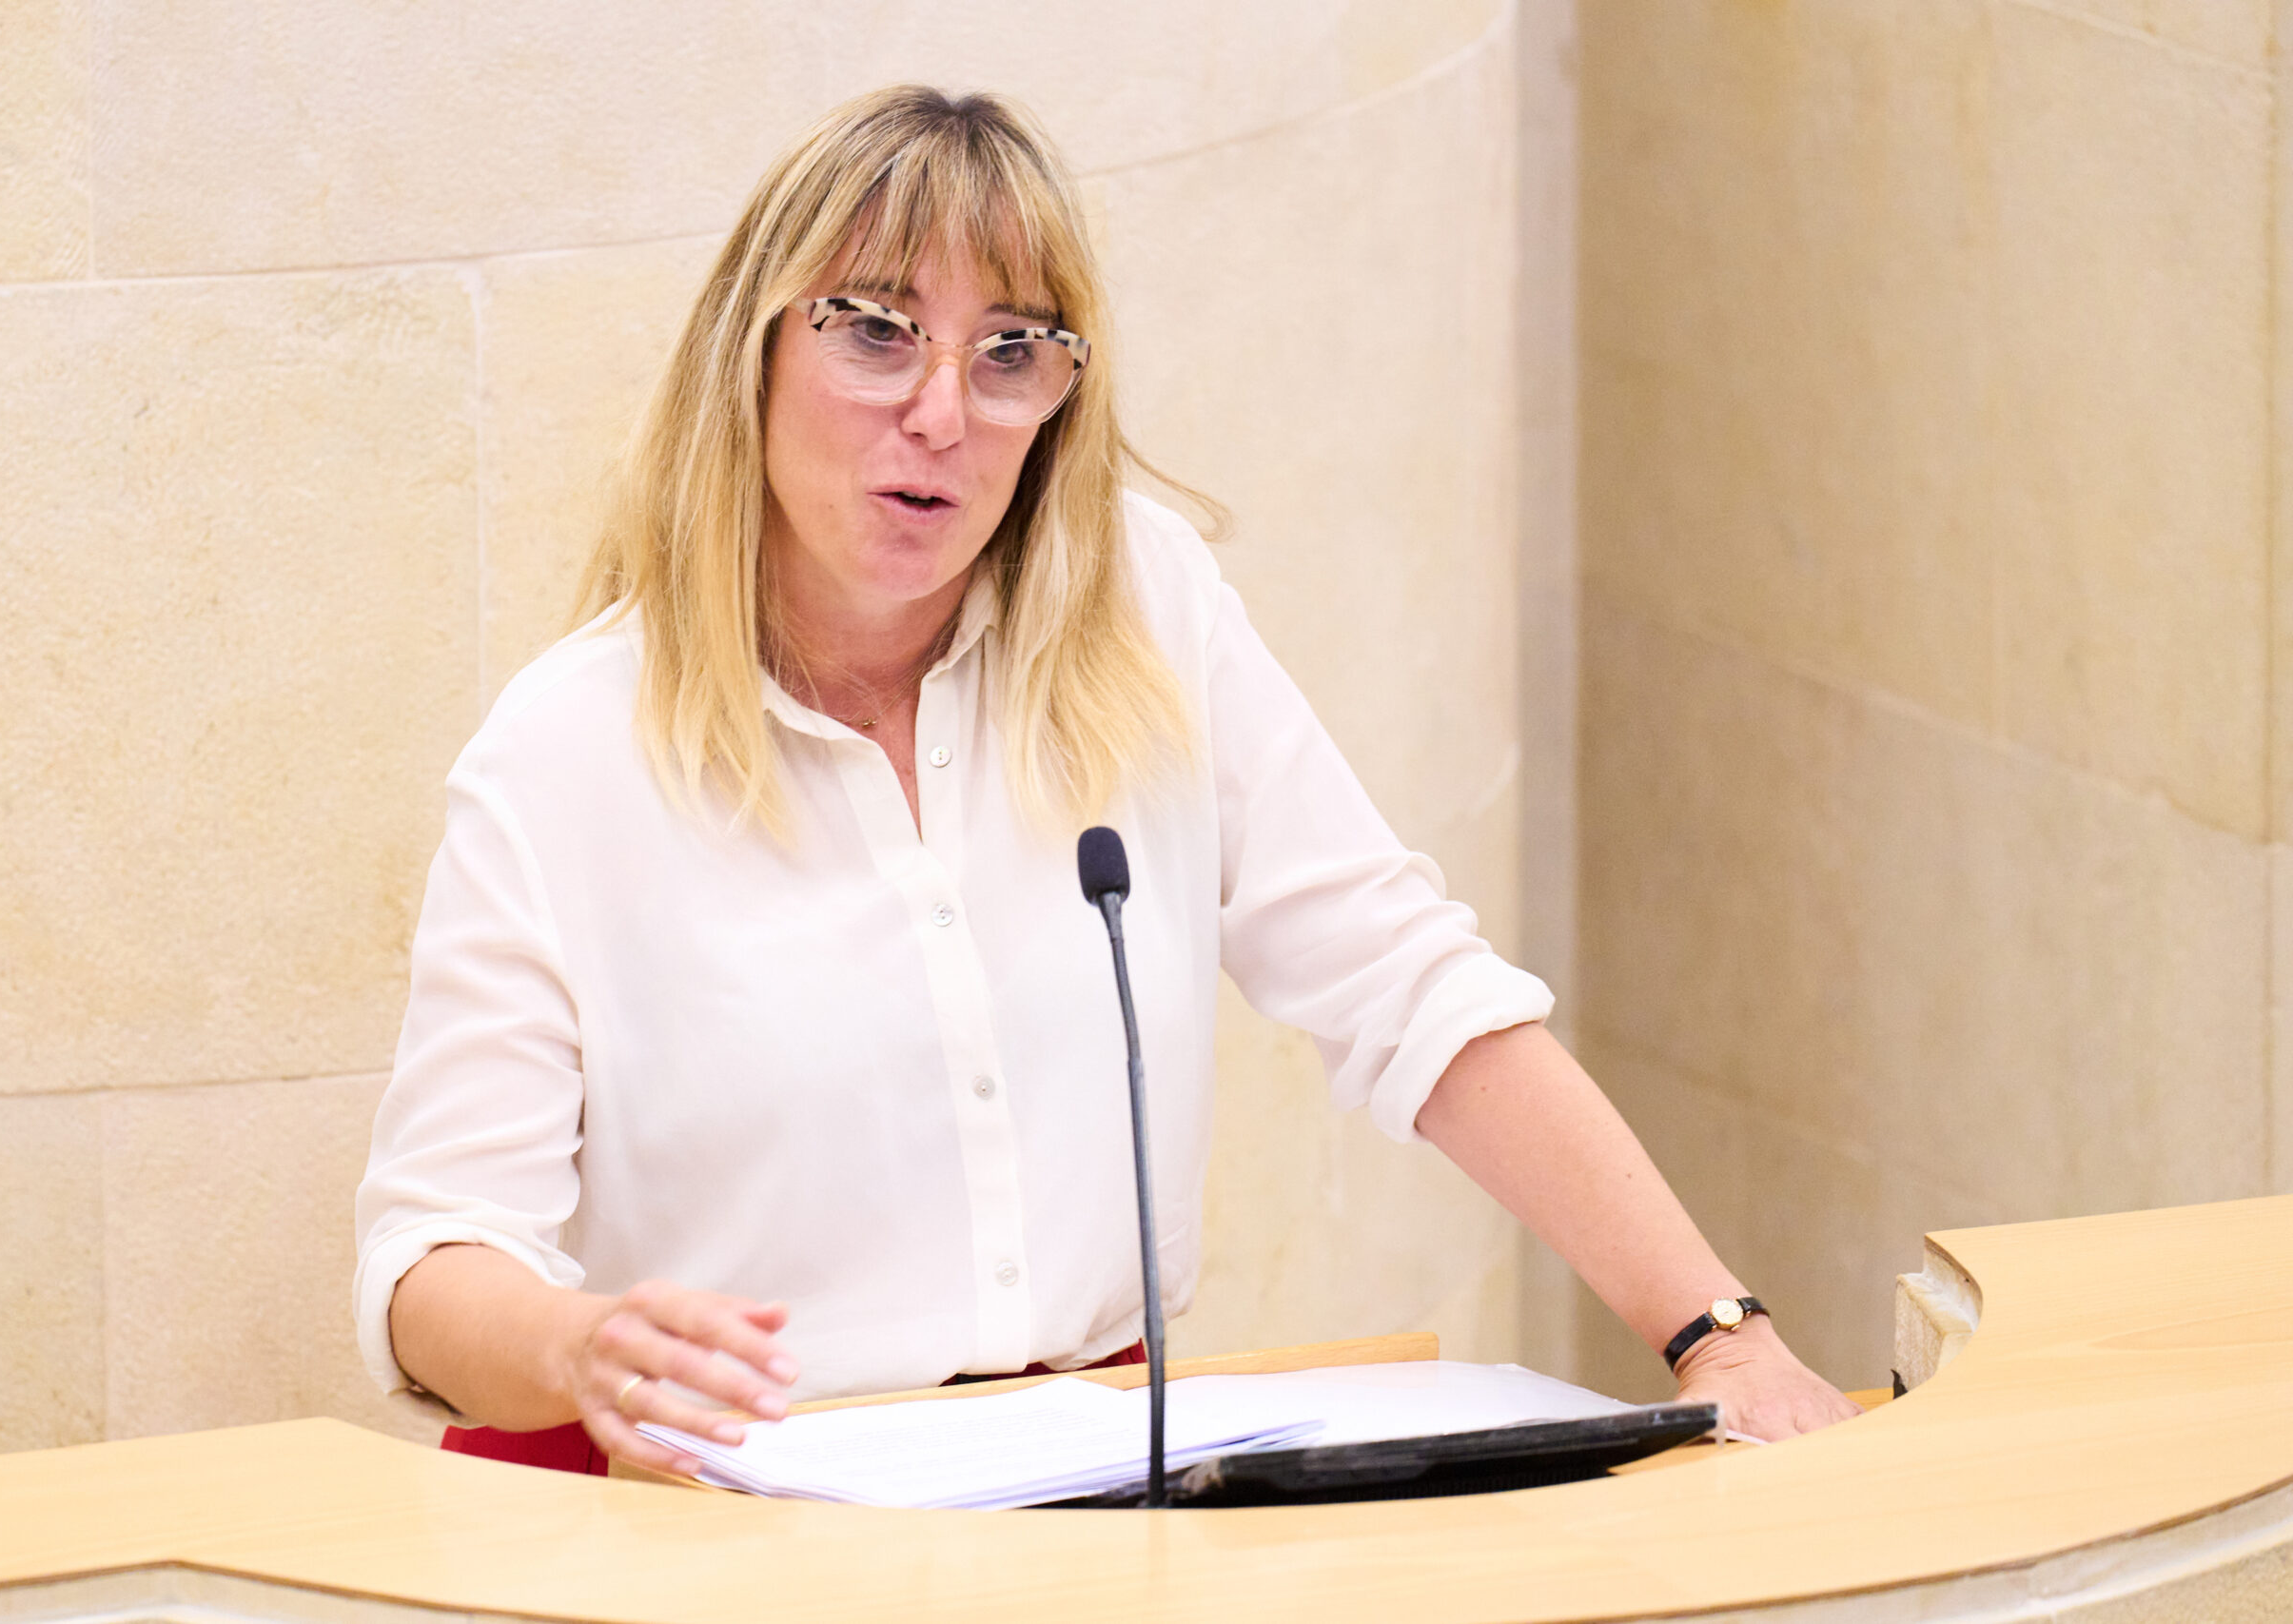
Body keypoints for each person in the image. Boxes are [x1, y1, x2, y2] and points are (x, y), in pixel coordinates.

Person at [354, 84, 1859, 1481]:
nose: (942, 413)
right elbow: (432, 1260)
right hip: (721, 1509)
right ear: (751, 354)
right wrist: (579, 1347)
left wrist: (1716, 1331)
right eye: (875, 333)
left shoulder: (1144, 608)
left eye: (1011, 352)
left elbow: (1408, 988)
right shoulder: (568, 750)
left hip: (1085, 1484)